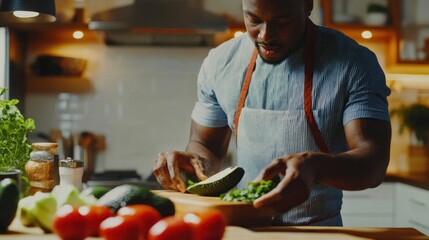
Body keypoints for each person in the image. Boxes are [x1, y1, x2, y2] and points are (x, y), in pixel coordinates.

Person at [153, 0, 391, 226]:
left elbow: (374, 161)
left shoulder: (354, 63)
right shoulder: (220, 64)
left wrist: (315, 167)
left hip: (318, 231)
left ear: (307, 5)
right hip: (246, 230)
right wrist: (193, 163)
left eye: (282, 21)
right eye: (254, 19)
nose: (265, 35)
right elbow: (205, 145)